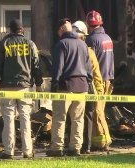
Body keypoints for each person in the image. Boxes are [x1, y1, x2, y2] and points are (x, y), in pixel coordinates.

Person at [0, 19, 43, 159]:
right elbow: (36, 66)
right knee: (25, 118)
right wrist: (38, 83)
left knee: (8, 119)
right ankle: (27, 150)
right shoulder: (30, 44)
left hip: (7, 87)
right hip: (25, 87)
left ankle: (8, 151)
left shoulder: (4, 44)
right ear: (22, 29)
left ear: (10, 29)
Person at [46, 18, 92, 157]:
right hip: (82, 86)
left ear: (61, 30)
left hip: (65, 86)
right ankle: (75, 148)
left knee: (60, 118)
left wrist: (54, 84)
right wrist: (87, 83)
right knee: (78, 119)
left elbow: (57, 68)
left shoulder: (61, 44)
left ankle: (57, 148)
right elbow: (89, 69)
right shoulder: (83, 45)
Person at [72, 21, 112, 154]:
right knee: (91, 115)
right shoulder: (92, 49)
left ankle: (102, 141)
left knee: (80, 116)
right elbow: (96, 72)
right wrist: (99, 90)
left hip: (75, 88)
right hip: (91, 86)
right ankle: (88, 145)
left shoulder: (69, 48)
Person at [85, 10, 114, 150]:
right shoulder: (107, 38)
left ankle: (103, 142)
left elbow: (90, 62)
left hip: (98, 80)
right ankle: (100, 141)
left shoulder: (91, 40)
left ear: (89, 25)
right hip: (108, 79)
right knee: (100, 110)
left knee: (97, 112)